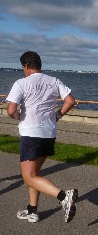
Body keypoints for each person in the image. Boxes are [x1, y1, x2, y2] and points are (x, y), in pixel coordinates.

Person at [6, 51, 78, 223]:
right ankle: (32, 211)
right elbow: (70, 101)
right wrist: (58, 115)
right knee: (35, 174)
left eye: (23, 67)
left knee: (28, 177)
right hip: (49, 134)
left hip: (31, 134)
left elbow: (10, 110)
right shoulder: (53, 81)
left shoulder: (21, 83)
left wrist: (18, 117)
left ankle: (63, 196)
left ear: (26, 66)